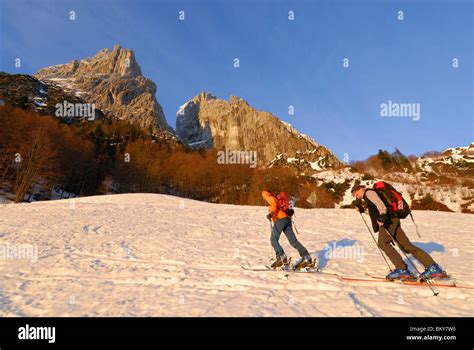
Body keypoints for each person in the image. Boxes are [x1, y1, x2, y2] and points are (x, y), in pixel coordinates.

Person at [351, 184, 445, 280]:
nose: (355, 195)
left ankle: (402, 270)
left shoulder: (369, 193)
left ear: (359, 189)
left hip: (388, 221)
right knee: (406, 246)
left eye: (355, 193)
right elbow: (375, 211)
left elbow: (381, 206)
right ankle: (432, 267)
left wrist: (383, 217)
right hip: (392, 219)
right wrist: (363, 210)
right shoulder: (369, 196)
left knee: (383, 243)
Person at [261, 190, 313, 270]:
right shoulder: (275, 198)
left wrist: (271, 213)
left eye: (263, 196)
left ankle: (281, 256)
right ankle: (306, 257)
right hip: (287, 219)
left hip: (280, 219)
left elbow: (274, 205)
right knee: (293, 241)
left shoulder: (270, 197)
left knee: (273, 239)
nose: (263, 197)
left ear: (265, 194)